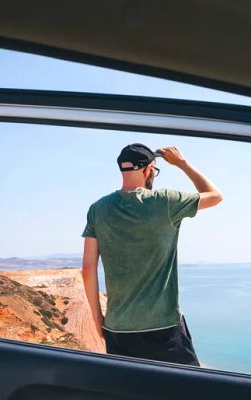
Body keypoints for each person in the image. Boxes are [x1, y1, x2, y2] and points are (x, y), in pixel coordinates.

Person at [81, 143, 223, 366]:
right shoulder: (165, 201)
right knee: (190, 393)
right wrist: (182, 164)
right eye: (154, 171)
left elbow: (88, 270)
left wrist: (97, 319)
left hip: (118, 329)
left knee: (130, 397)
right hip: (164, 327)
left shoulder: (97, 209)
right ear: (147, 170)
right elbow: (215, 195)